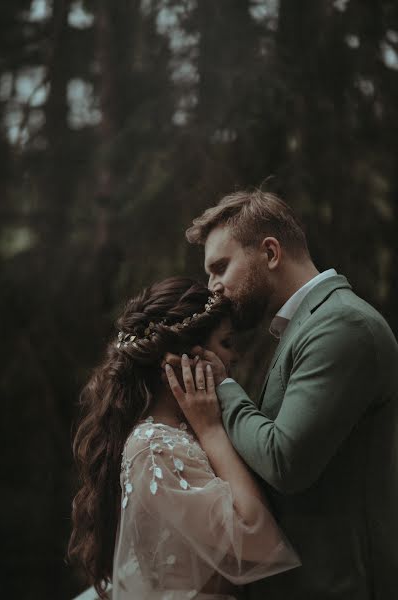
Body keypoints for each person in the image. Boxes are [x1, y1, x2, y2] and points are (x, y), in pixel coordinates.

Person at [164, 190, 398, 600]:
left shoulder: (342, 324)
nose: (213, 288)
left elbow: (284, 460)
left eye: (220, 268)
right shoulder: (308, 326)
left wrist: (221, 388)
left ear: (270, 252)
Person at [68, 277, 300, 600]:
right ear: (188, 359)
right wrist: (211, 431)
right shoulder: (154, 446)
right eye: (227, 343)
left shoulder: (183, 432)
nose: (235, 358)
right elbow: (258, 541)